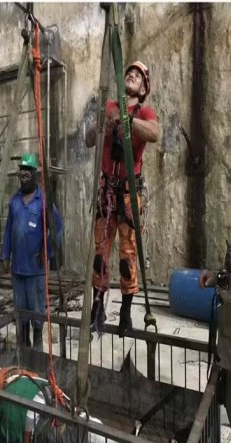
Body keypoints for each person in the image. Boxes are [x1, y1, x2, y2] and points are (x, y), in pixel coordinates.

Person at [85, 60, 159, 336]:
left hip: (127, 195)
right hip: (106, 192)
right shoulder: (108, 108)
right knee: (100, 254)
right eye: (130, 72)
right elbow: (89, 139)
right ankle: (97, 307)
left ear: (143, 88)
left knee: (128, 257)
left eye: (138, 75)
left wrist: (126, 120)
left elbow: (154, 133)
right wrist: (103, 124)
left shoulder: (145, 112)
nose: (132, 75)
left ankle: (126, 313)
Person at [0, 153, 63, 351]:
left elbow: (58, 228)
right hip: (18, 271)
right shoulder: (15, 201)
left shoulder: (43, 201)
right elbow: (9, 229)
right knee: (21, 315)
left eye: (27, 174)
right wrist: (4, 255)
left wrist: (48, 252)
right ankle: (23, 354)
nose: (24, 177)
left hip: (36, 272)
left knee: (37, 315)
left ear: (34, 175)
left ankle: (37, 355)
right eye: (21, 174)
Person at [199, 241, 231, 443]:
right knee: (227, 401)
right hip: (227, 350)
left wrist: (221, 287)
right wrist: (216, 277)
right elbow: (230, 274)